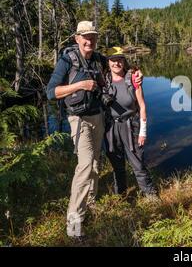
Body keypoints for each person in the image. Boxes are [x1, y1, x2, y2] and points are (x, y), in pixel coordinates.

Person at [46, 21, 143, 239]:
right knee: (85, 165)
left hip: (98, 116)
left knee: (96, 163)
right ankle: (74, 223)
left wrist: (136, 74)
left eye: (93, 36)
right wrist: (80, 85)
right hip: (78, 119)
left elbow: (118, 64)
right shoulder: (67, 60)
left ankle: (90, 202)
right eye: (85, 36)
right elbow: (51, 92)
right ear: (77, 39)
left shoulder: (98, 58)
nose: (89, 40)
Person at [103, 47, 159, 201]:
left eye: (119, 59)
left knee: (138, 164)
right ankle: (120, 196)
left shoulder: (133, 79)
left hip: (130, 126)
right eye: (113, 60)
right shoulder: (103, 79)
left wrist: (143, 132)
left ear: (124, 61)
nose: (116, 63)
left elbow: (142, 106)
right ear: (108, 62)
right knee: (117, 165)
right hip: (111, 128)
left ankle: (150, 194)